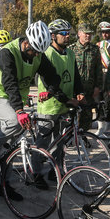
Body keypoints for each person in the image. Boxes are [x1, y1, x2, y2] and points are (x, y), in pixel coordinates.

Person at [0, 21, 69, 199]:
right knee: (14, 121)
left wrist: (56, 93)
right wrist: (20, 111)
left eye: (39, 52)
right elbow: (10, 83)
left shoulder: (37, 53)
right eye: (33, 51)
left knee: (12, 147)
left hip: (15, 100)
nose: (36, 55)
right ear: (26, 42)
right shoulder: (8, 52)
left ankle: (4, 186)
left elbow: (52, 76)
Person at [34, 19, 83, 181]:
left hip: (65, 105)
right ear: (53, 36)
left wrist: (79, 91)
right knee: (42, 142)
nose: (67, 36)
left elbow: (75, 75)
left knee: (60, 142)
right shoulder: (46, 53)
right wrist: (67, 99)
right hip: (49, 106)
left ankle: (54, 171)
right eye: (63, 33)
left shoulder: (70, 53)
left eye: (69, 33)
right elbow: (48, 82)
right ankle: (37, 173)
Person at [70, 22, 103, 130]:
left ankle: (83, 138)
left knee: (87, 117)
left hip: (89, 90)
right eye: (86, 33)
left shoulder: (95, 50)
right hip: (74, 91)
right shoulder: (71, 49)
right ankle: (71, 139)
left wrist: (98, 87)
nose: (88, 36)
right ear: (79, 34)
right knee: (72, 117)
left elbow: (98, 70)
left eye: (90, 34)